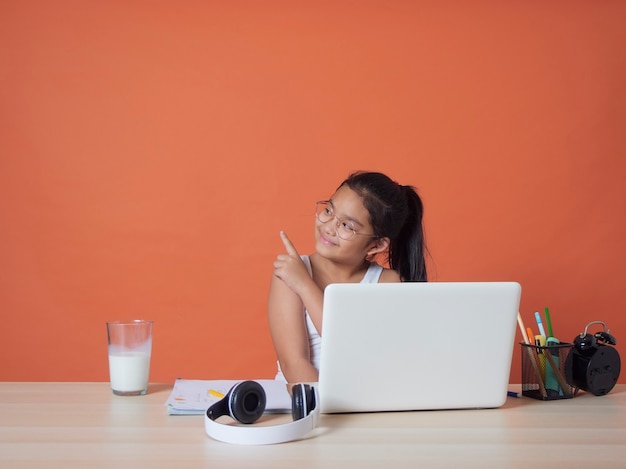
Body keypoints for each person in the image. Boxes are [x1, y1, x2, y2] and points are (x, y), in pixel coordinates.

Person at [268, 171, 428, 386]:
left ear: (376, 245)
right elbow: (294, 364)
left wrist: (305, 286)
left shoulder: (387, 284)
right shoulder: (290, 274)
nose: (328, 227)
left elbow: (355, 354)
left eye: (347, 226)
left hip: (359, 404)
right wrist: (334, 409)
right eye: (328, 211)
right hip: (302, 402)